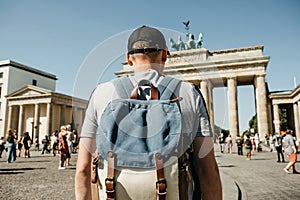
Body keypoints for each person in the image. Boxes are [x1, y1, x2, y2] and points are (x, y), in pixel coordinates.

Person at [75, 25, 222, 200]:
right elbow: (207, 169)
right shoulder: (189, 93)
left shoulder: (101, 93)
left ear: (129, 59)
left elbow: (83, 169)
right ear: (165, 54)